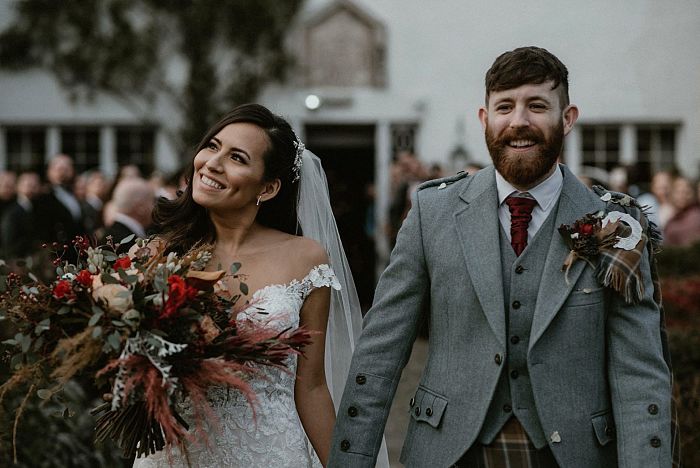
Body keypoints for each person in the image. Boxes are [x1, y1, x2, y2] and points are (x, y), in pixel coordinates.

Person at [329, 47, 672, 467]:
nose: (519, 121)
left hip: (574, 454)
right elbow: (380, 351)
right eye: (504, 106)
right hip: (449, 452)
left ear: (567, 118)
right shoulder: (432, 213)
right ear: (484, 119)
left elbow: (640, 374)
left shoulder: (615, 222)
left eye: (537, 105)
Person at [132, 104, 387, 467]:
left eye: (236, 157)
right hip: (177, 451)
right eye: (213, 146)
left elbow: (311, 386)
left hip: (270, 450)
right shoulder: (159, 253)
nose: (212, 163)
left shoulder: (305, 258)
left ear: (267, 188)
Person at [34, 154, 87, 258]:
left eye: (67, 168)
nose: (63, 172)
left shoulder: (76, 195)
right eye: (59, 169)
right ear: (48, 171)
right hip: (57, 255)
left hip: (76, 253)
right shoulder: (42, 198)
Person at [100, 177, 154, 252]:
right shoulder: (124, 241)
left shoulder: (113, 235)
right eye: (152, 201)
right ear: (140, 207)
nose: (154, 206)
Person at [1, 171, 41, 259]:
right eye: (28, 184)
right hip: (19, 260)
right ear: (18, 187)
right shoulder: (12, 212)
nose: (32, 188)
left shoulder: (37, 207)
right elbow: (9, 241)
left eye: (34, 185)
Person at [663, 175, 700, 247]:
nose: (682, 195)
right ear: (672, 194)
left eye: (686, 192)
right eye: (678, 192)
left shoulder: (696, 216)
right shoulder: (671, 222)